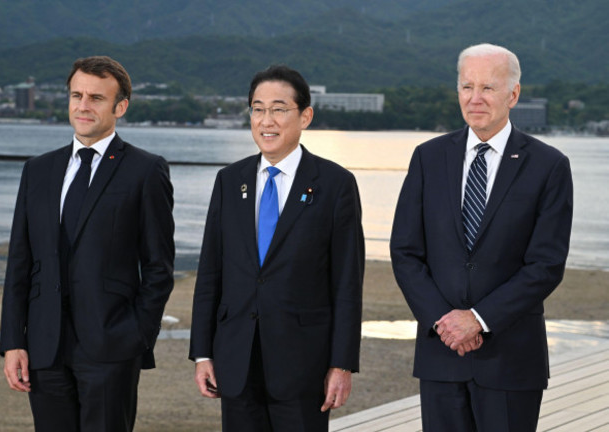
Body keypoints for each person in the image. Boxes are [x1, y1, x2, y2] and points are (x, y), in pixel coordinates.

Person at [390, 43, 574, 432]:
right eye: (466, 87)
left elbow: (546, 265)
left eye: (488, 88)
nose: (475, 99)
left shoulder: (549, 166)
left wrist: (478, 319)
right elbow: (405, 251)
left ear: (514, 94)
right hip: (441, 354)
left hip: (510, 359)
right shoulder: (428, 157)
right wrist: (444, 321)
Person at [0, 56, 175, 432]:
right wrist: (14, 341)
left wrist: (137, 334)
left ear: (120, 107)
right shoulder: (38, 170)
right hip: (45, 347)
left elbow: (159, 266)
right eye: (76, 95)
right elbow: (20, 262)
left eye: (96, 98)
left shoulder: (146, 170)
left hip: (112, 347)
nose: (83, 106)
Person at [189, 65, 365, 431]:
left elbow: (347, 282)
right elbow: (210, 272)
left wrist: (342, 363)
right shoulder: (229, 180)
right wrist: (202, 352)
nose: (266, 120)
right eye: (257, 108)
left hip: (304, 365)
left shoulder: (335, 184)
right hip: (236, 359)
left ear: (305, 116)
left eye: (279, 109)